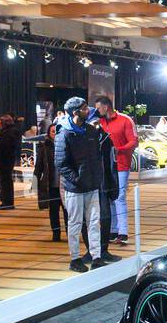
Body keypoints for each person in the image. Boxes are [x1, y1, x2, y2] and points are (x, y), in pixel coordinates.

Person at [54, 97, 108, 272]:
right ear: (75, 112)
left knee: (94, 222)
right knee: (75, 223)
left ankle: (96, 257)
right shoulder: (64, 134)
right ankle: (75, 258)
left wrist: (96, 178)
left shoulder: (91, 131)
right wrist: (77, 179)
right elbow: (61, 163)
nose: (89, 110)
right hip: (75, 189)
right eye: (85, 108)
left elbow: (97, 157)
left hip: (92, 186)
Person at [91, 96, 136, 247]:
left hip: (121, 165)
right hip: (104, 167)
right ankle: (113, 230)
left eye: (98, 108)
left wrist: (120, 150)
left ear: (106, 106)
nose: (97, 110)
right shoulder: (99, 122)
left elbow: (134, 141)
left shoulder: (125, 120)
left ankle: (123, 232)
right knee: (109, 198)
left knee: (119, 197)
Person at [34, 122, 62, 241]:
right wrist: (34, 184)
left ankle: (72, 235)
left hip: (66, 186)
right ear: (49, 133)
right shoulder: (44, 147)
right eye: (53, 131)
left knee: (69, 212)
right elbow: (38, 166)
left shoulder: (67, 144)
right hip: (51, 185)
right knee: (53, 211)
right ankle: (56, 234)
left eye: (57, 131)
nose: (55, 134)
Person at [0, 113, 20, 209]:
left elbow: (5, 145)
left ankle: (7, 202)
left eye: (0, 123)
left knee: (5, 180)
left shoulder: (10, 132)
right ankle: (5, 201)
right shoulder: (8, 131)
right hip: (5, 158)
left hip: (6, 159)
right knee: (3, 180)